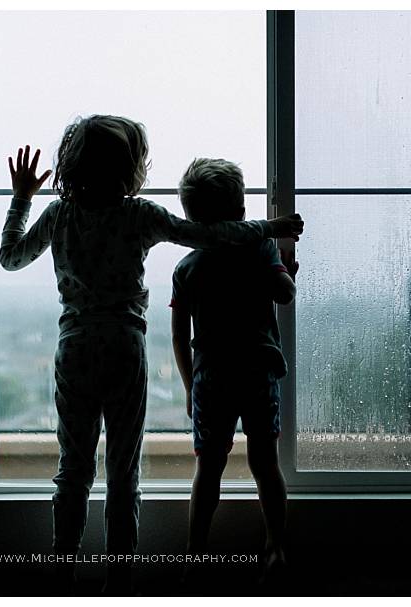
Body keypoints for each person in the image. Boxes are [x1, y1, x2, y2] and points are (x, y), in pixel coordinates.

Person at [0, 115, 304, 594]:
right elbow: (211, 236)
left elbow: (10, 257)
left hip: (74, 349)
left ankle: (63, 576)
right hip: (124, 347)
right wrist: (273, 227)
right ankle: (118, 583)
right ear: (129, 167)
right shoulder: (138, 215)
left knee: (72, 470)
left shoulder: (59, 215)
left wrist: (21, 198)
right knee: (123, 473)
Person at [170, 158, 299, 585]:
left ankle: (195, 551)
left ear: (191, 219)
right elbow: (284, 293)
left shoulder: (186, 269)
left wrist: (190, 388)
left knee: (208, 470)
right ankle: (276, 546)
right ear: (242, 212)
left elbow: (179, 337)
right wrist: (287, 266)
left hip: (211, 380)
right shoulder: (260, 249)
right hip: (257, 373)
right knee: (266, 464)